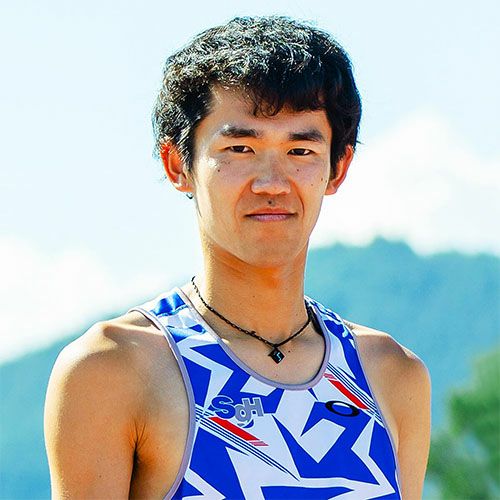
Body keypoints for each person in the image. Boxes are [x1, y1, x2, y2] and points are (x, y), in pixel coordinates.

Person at [44, 16, 431, 499]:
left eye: (301, 151)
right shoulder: (114, 367)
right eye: (240, 148)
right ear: (177, 164)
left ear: (338, 167)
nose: (272, 183)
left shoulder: (390, 374)